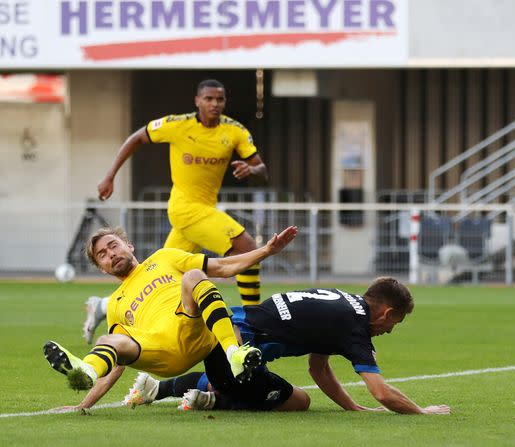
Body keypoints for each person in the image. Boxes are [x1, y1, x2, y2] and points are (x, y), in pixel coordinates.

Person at [44, 225, 310, 413]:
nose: (110, 254)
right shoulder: (115, 304)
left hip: (192, 327)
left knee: (193, 276)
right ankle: (86, 371)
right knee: (107, 339)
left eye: (113, 245)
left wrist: (266, 251)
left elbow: (223, 267)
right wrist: (84, 405)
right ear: (102, 269)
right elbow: (117, 365)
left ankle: (233, 355)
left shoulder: (164, 257)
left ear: (129, 245)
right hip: (160, 352)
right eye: (102, 255)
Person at [82, 78, 268, 344]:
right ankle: (253, 322)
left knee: (161, 275)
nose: (214, 104)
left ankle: (101, 305)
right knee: (247, 248)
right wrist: (110, 175)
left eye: (220, 99)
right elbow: (138, 137)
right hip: (185, 208)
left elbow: (263, 171)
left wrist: (252, 170)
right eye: (209, 99)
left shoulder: (235, 131)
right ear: (197, 101)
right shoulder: (177, 125)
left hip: (203, 210)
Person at [126, 277, 451, 415]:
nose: (389, 331)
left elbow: (318, 367)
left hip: (222, 326)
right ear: (388, 312)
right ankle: (215, 400)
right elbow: (381, 393)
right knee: (299, 401)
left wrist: (352, 408)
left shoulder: (341, 302)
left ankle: (156, 389)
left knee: (254, 377)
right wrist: (423, 412)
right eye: (393, 324)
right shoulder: (355, 327)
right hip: (236, 350)